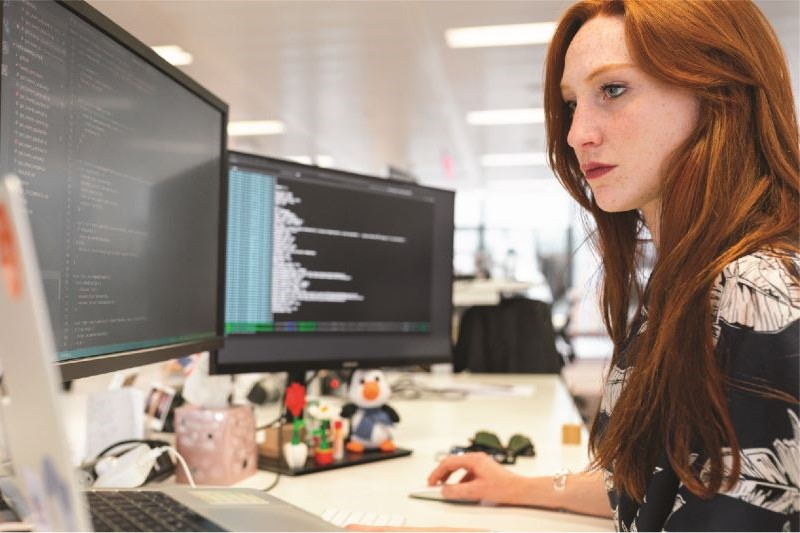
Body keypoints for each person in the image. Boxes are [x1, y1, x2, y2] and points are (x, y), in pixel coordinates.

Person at [355, 1, 799, 531]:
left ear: (718, 93)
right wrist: (512, 487)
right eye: (571, 103)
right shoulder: (690, 281)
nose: (575, 133)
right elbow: (664, 487)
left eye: (613, 90)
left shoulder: (758, 292)